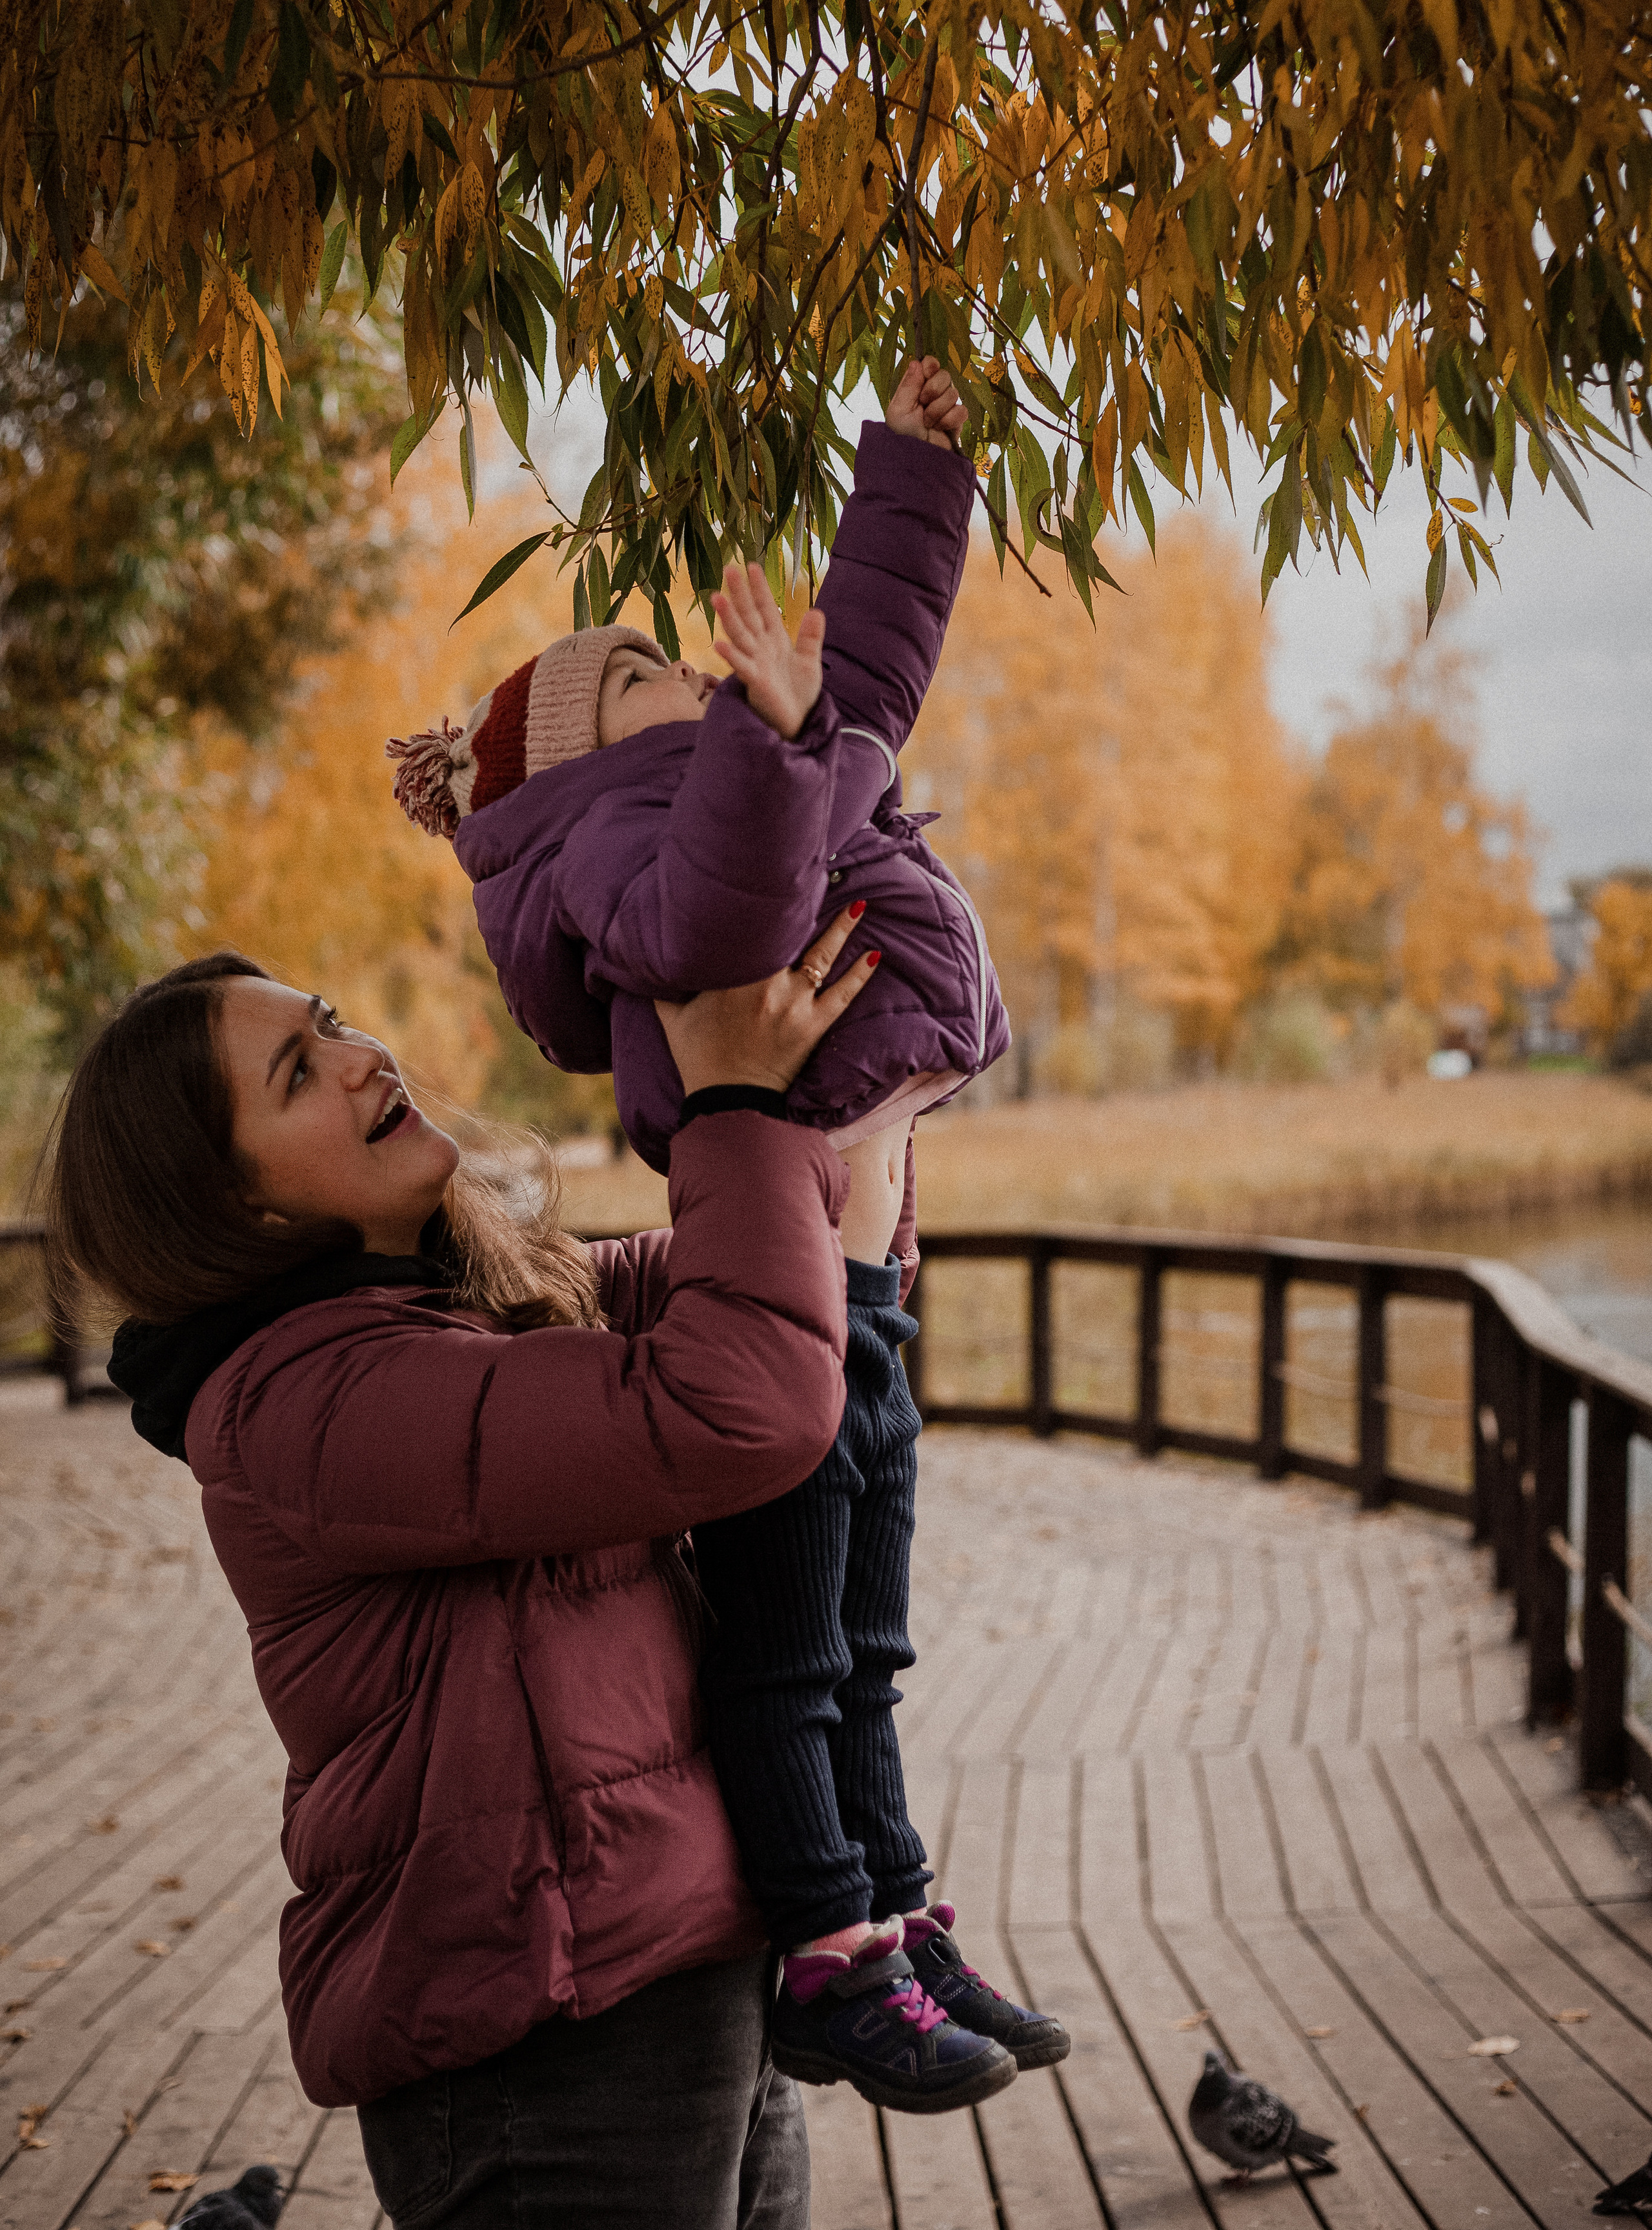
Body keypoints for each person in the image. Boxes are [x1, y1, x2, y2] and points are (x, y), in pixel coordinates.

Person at [45, 917, 958, 2227]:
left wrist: (845, 1087)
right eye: (297, 1075)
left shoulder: (471, 1301)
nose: (361, 1058)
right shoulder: (313, 1400)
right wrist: (732, 1099)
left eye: (331, 1021)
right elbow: (738, 1404)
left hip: (680, 1952)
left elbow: (763, 1288)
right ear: (238, 1204)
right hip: (541, 2016)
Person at [385, 361, 1069, 2108]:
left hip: (864, 1267)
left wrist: (916, 471)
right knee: (790, 1641)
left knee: (870, 1634)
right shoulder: (620, 840)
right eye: (633, 677)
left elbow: (880, 678)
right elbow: (722, 922)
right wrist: (765, 744)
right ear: (564, 764)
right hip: (780, 1269)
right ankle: (825, 1945)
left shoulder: (732, 760)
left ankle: (896, 1907)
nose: (675, 669)